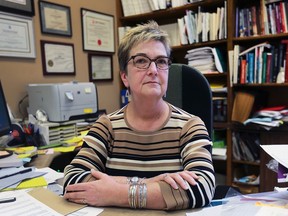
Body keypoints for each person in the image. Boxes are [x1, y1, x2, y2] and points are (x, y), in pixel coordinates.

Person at [63, 20, 215, 210]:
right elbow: (72, 180)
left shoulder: (190, 126)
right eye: (141, 61)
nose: (153, 70)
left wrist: (116, 192)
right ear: (124, 76)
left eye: (161, 62)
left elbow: (203, 188)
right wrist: (151, 184)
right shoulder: (106, 126)